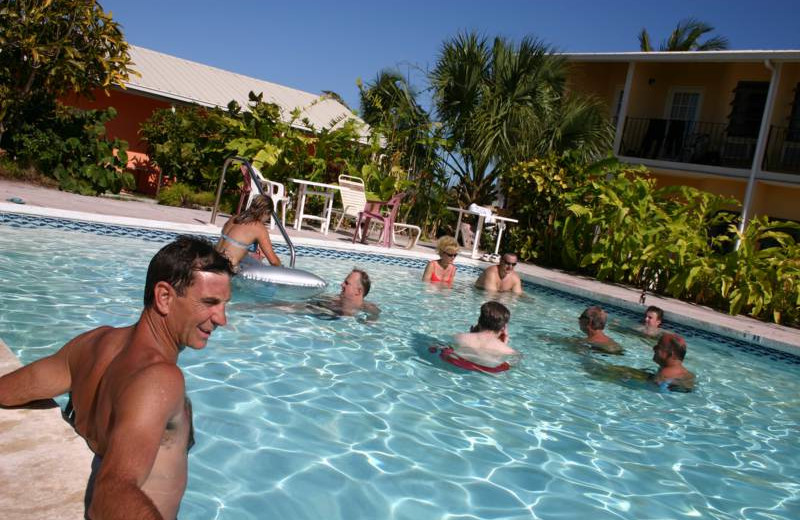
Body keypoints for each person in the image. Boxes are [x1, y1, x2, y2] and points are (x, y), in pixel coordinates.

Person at [0, 236, 234, 519]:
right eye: (209, 302)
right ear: (164, 297)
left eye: (224, 304)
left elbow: (8, 391)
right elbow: (110, 493)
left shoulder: (94, 343)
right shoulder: (160, 379)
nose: (222, 318)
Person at [443, 301, 520, 371]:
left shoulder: (459, 337)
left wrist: (472, 335)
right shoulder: (510, 352)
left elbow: (444, 351)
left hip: (455, 365)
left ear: (479, 321)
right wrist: (503, 345)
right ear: (503, 328)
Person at [216, 194, 281, 269]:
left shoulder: (234, 218)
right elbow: (273, 261)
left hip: (213, 260)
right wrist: (283, 269)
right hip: (226, 269)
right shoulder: (259, 228)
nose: (267, 219)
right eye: (269, 216)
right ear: (266, 213)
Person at [311, 268, 380, 320]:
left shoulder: (371, 310)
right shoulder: (329, 301)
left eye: (347, 283)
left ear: (358, 291)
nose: (342, 284)